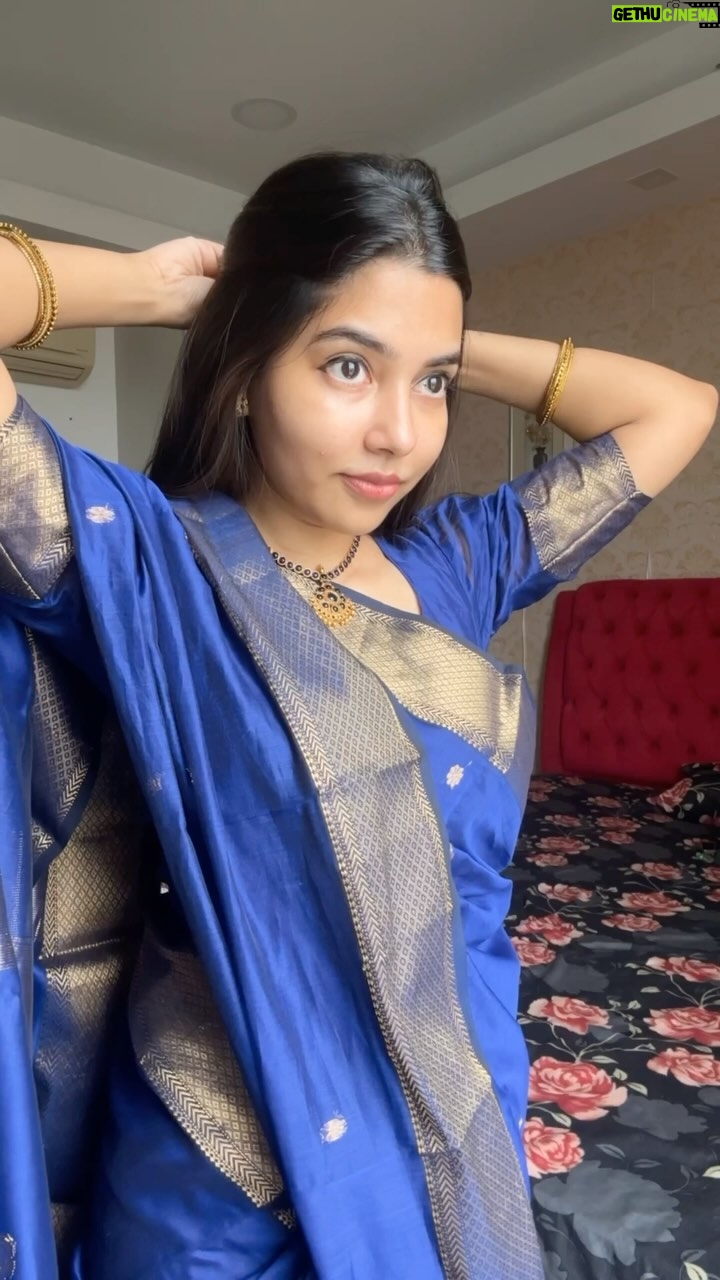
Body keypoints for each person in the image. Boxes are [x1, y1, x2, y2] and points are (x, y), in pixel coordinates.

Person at [0, 153, 715, 1280]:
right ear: (246, 369)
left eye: (431, 385)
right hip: (217, 1171)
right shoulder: (147, 564)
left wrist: (433, 337)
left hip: (450, 1106)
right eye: (346, 366)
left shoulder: (458, 565)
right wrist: (162, 290)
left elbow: (680, 407)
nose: (400, 433)